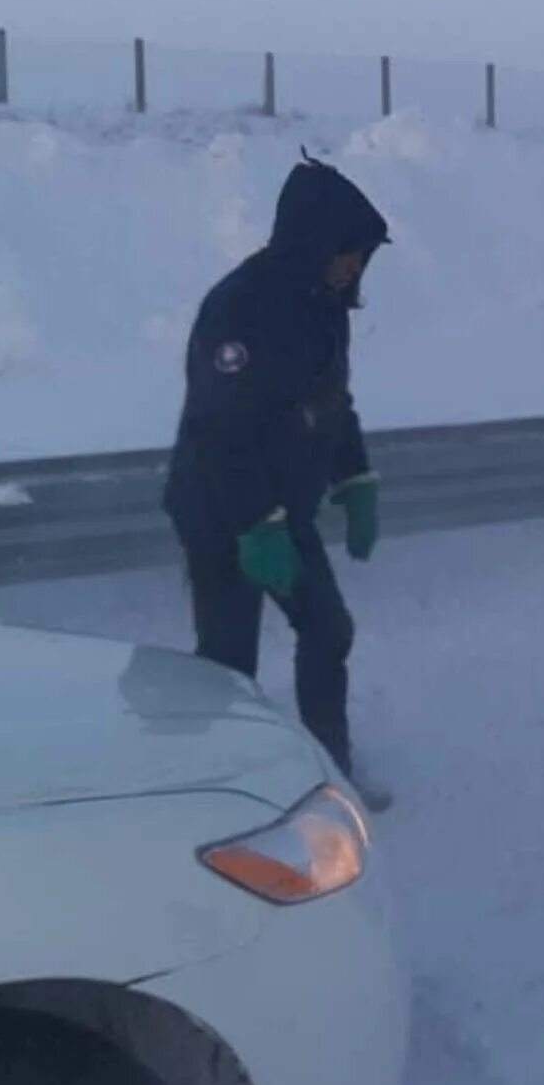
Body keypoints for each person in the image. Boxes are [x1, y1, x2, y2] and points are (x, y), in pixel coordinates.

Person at [164, 153, 394, 809]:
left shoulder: (326, 307)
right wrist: (252, 526)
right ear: (313, 242)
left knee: (328, 629)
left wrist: (354, 476)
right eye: (348, 251)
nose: (355, 266)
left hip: (281, 512)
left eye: (362, 256)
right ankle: (219, 790)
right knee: (228, 664)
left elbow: (332, 401)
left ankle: (326, 771)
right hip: (220, 514)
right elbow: (217, 432)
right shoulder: (239, 311)